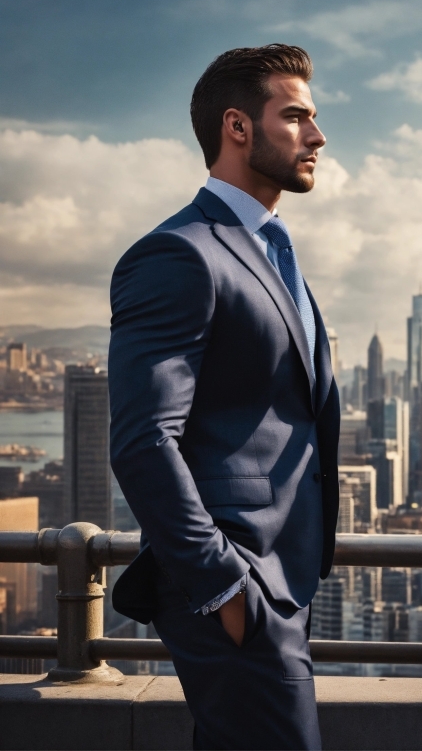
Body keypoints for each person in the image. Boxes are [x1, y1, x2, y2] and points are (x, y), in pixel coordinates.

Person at [108, 44, 340, 750]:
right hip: (234, 584)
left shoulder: (270, 249)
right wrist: (225, 589)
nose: (317, 136)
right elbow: (144, 439)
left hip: (279, 578)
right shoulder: (182, 253)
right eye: (295, 116)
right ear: (237, 127)